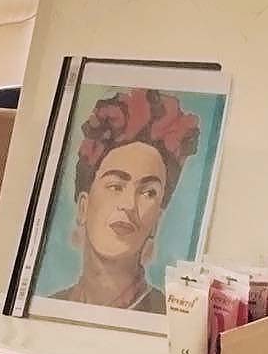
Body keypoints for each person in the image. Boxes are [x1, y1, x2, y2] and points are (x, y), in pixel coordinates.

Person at [52, 87, 200, 313]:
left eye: (148, 193)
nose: (129, 204)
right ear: (83, 207)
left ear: (157, 222)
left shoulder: (166, 316)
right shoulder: (51, 307)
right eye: (116, 186)